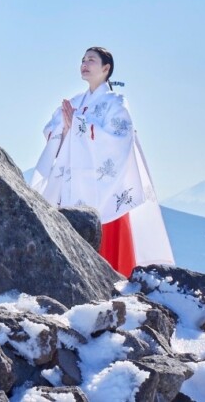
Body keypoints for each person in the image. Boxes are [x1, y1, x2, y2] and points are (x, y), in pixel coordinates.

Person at [29, 47, 174, 276]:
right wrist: (66, 129)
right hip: (72, 182)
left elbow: (119, 139)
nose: (85, 64)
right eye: (83, 60)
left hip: (105, 186)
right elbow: (53, 131)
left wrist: (79, 125)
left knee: (107, 238)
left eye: (91, 60)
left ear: (106, 68)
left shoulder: (116, 102)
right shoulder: (75, 102)